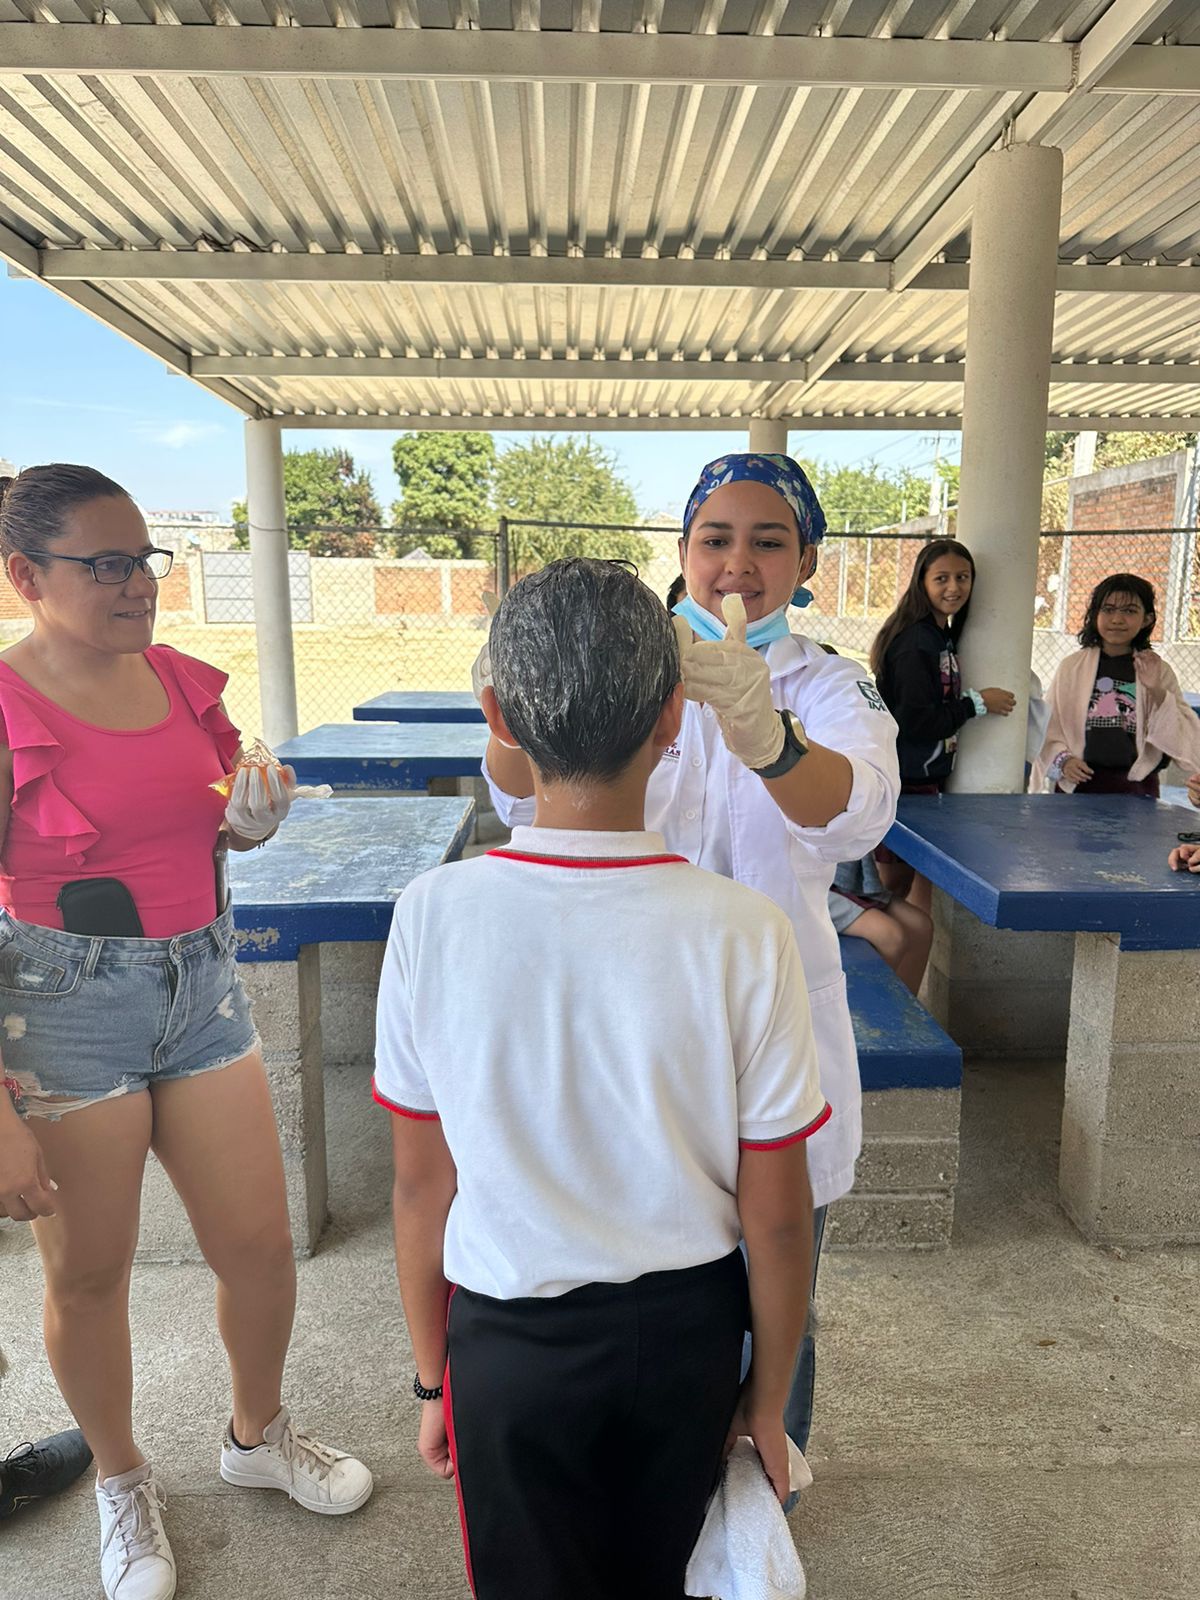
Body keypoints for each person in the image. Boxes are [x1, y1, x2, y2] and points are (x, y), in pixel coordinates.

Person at [377, 557, 826, 1600]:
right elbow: (778, 1212)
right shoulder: (744, 933)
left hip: (509, 1341)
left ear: (498, 714)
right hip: (688, 1339)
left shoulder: (433, 916)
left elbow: (418, 1188)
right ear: (676, 716)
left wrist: (434, 1375)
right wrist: (767, 1395)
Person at [482, 452, 900, 1468]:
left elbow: (857, 816)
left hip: (780, 1038)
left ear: (805, 560)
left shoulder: (834, 684)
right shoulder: (631, 670)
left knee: (776, 1294)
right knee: (645, 1297)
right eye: (716, 538)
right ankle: (658, 1501)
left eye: (769, 541)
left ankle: (763, 1502)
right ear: (683, 551)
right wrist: (506, 698)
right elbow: (516, 795)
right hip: (632, 1038)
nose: (739, 565)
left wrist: (769, 737)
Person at [0, 466, 371, 1600]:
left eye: (145, 558)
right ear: (25, 577)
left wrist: (248, 827)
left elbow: (205, 832)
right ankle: (120, 1479)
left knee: (258, 1243)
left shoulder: (175, 682)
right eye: (103, 563)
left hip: (202, 985)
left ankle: (255, 1435)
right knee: (94, 1272)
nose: (138, 584)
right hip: (61, 1009)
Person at [870, 538, 1016, 910]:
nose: (954, 587)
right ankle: (882, 955)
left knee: (912, 884)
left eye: (963, 577)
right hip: (904, 782)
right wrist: (977, 704)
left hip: (925, 779)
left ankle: (907, 952)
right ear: (922, 582)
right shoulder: (915, 642)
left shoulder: (940, 636)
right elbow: (915, 720)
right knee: (890, 885)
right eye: (942, 578)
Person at [1031, 573, 1200, 799]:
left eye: (1129, 611)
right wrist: (1064, 760)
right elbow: (1049, 726)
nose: (1117, 619)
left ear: (1147, 619)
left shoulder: (1158, 670)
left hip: (1137, 788)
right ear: (1095, 615)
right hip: (1079, 783)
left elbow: (1182, 732)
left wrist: (1156, 691)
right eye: (1108, 609)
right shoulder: (1071, 667)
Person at [827, 853, 932, 996]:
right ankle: (864, 1013)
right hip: (811, 888)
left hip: (844, 878)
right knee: (890, 936)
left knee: (920, 926)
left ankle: (901, 1013)